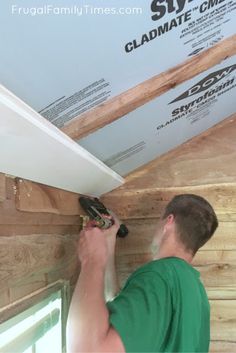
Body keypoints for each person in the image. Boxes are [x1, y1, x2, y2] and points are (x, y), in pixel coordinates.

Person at [66, 194, 218, 353]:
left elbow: (87, 350)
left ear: (169, 221)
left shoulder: (159, 276)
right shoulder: (196, 290)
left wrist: (92, 259)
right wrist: (109, 239)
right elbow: (124, 311)